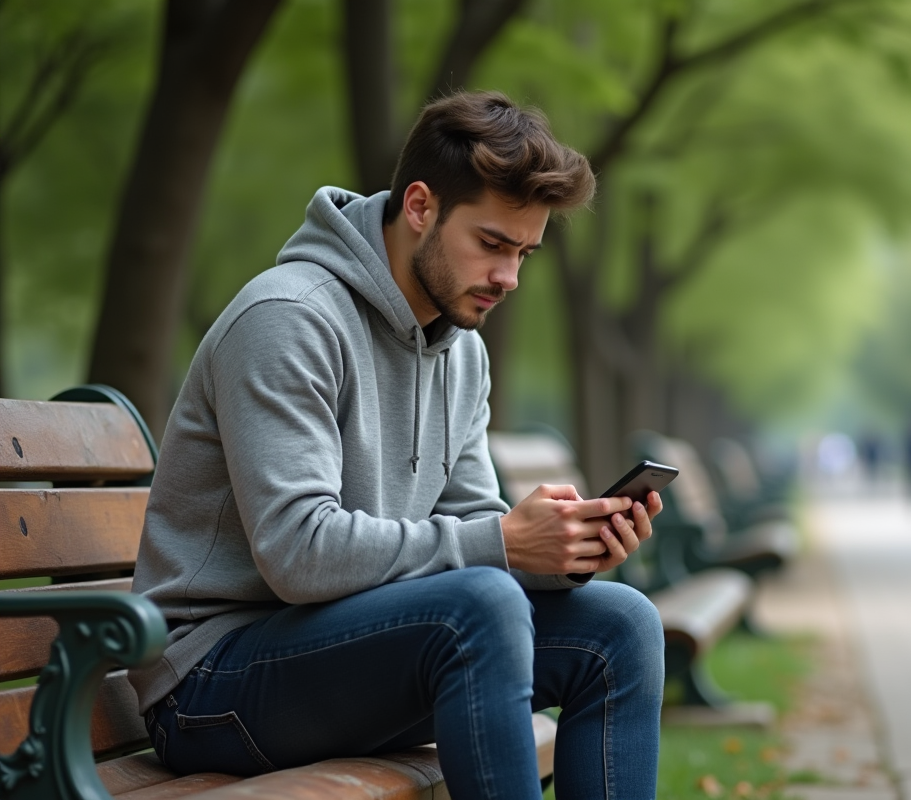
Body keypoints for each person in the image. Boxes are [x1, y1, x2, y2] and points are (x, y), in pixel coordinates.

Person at [131, 91, 665, 800]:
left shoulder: (461, 352)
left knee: (622, 626)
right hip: (211, 682)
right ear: (419, 206)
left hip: (363, 649)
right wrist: (503, 544)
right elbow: (297, 553)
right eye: (492, 244)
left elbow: (477, 531)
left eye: (525, 253)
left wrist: (563, 551)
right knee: (480, 606)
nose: (509, 278)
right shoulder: (288, 318)